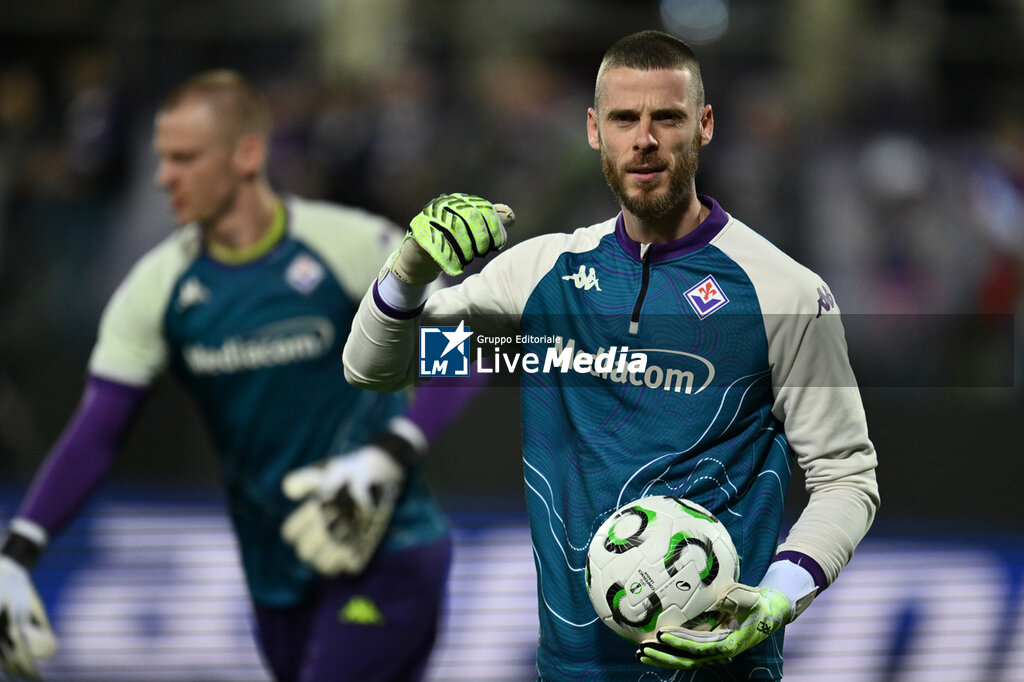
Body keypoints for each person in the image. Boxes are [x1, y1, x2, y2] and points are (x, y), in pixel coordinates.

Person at [342, 30, 880, 681]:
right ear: (595, 130)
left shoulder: (784, 293)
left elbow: (846, 477)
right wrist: (407, 270)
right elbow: (376, 366)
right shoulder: (541, 276)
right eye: (625, 118)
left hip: (722, 670)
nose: (644, 140)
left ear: (704, 125)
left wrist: (778, 597)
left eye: (668, 118)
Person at [0, 70, 475, 682]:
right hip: (275, 573)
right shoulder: (155, 288)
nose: (163, 177)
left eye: (184, 158)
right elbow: (97, 432)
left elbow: (462, 350)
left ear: (248, 154)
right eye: (162, 158)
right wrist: (18, 551)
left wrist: (389, 454)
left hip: (388, 553)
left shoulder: (350, 246)